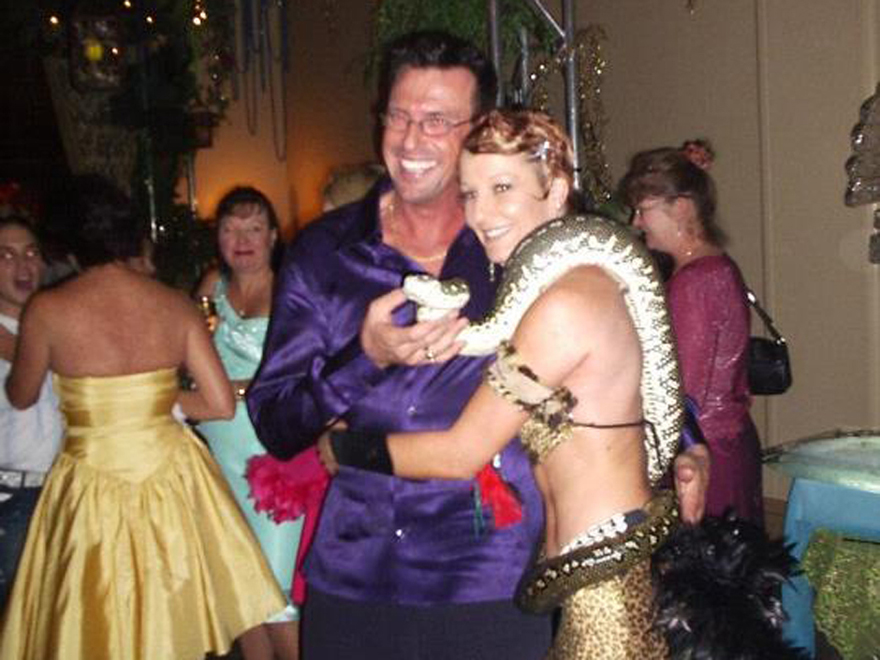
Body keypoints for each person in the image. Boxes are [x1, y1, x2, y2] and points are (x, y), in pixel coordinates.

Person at [247, 31, 708, 660]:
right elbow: (276, 424)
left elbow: (620, 341)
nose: (411, 139)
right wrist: (365, 358)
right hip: (356, 575)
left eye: (437, 120)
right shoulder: (323, 253)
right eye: (399, 116)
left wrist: (688, 443)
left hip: (489, 578)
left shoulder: (515, 244)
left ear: (477, 131)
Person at [322, 108, 681, 660]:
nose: (480, 213)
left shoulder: (567, 304)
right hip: (579, 569)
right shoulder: (555, 290)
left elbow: (460, 453)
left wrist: (345, 449)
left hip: (604, 585)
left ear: (555, 191)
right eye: (469, 194)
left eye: (502, 188)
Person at [0, 176, 286, 660]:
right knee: (171, 619)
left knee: (97, 621)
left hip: (92, 483)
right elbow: (219, 403)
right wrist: (149, 402)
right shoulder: (173, 304)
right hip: (172, 479)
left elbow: (22, 396)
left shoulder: (48, 310)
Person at [620, 142, 763, 525]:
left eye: (643, 209)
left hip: (702, 452)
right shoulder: (714, 266)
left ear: (681, 208)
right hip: (724, 443)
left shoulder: (695, 281)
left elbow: (683, 390)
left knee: (701, 557)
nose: (636, 222)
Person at [195, 186, 306, 660]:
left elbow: (304, 373)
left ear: (273, 236)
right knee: (237, 588)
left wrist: (233, 391)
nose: (241, 240)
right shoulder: (210, 287)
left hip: (270, 450)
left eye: (254, 228)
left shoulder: (290, 288)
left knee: (275, 592)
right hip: (217, 449)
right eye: (230, 229)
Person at [0, 217, 63, 613]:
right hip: (13, 497)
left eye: (30, 253)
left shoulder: (58, 324)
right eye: (6, 256)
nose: (23, 266)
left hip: (63, 493)